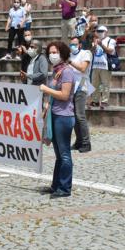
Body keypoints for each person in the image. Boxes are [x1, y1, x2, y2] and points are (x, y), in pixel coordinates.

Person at [39, 41, 77, 197]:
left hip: (64, 116)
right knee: (59, 154)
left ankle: (65, 187)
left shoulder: (67, 72)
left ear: (62, 53)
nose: (51, 55)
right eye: (50, 52)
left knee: (65, 153)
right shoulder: (56, 71)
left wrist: (46, 89)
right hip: (55, 114)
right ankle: (56, 185)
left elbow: (65, 95)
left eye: (54, 52)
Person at [68, 36, 92, 153]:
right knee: (74, 117)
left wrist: (70, 62)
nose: (73, 46)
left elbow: (83, 68)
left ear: (80, 45)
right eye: (71, 44)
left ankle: (86, 143)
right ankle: (78, 141)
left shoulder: (85, 53)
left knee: (80, 115)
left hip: (81, 86)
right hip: (71, 88)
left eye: (75, 44)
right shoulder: (69, 55)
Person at [89, 26, 115, 109]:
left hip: (105, 66)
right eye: (98, 31)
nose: (100, 33)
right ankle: (95, 100)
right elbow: (92, 52)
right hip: (95, 65)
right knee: (94, 84)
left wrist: (101, 44)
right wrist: (94, 46)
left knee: (105, 84)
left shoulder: (111, 40)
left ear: (106, 32)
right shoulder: (95, 40)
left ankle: (104, 101)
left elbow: (110, 51)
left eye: (102, 31)